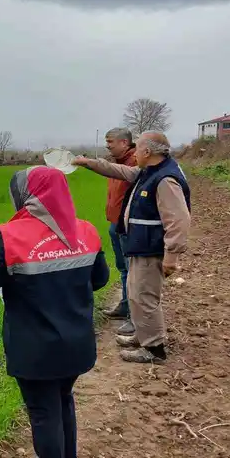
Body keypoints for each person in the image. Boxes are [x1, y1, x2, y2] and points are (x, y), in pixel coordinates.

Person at [0, 166, 109, 458]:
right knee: (63, 401)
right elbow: (101, 279)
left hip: (35, 347)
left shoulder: (12, 236)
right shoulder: (86, 231)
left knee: (44, 411)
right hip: (76, 343)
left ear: (27, 196)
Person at [74, 131, 191, 364]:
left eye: (137, 149)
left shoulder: (165, 180)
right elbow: (120, 171)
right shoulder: (150, 171)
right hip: (141, 245)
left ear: (148, 152)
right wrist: (88, 163)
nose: (134, 153)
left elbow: (179, 220)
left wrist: (171, 256)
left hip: (152, 248)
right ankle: (143, 334)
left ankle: (154, 348)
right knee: (136, 294)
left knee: (144, 296)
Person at [100, 128, 137, 339]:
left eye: (110, 142)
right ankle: (124, 306)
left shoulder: (134, 163)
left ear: (124, 142)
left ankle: (135, 316)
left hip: (128, 226)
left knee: (134, 272)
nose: (108, 145)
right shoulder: (117, 161)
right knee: (123, 268)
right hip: (115, 223)